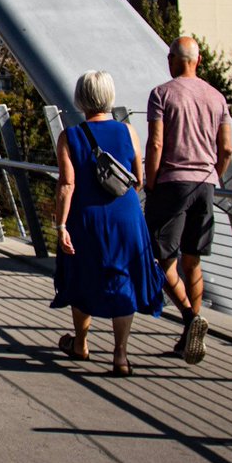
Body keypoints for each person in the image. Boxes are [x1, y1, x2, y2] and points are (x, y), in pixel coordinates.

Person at [51, 70, 164, 377]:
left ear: (80, 97)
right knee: (123, 277)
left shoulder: (69, 136)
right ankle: (121, 355)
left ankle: (82, 344)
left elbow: (66, 185)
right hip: (126, 217)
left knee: (82, 275)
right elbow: (138, 179)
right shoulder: (128, 132)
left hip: (86, 218)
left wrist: (61, 226)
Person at [144, 36, 232, 364]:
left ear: (172, 60)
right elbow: (226, 149)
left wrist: (150, 184)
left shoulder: (162, 94)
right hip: (206, 184)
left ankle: (189, 317)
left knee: (160, 258)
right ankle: (188, 337)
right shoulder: (216, 97)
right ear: (197, 61)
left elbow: (155, 144)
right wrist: (213, 174)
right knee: (192, 259)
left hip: (172, 183)